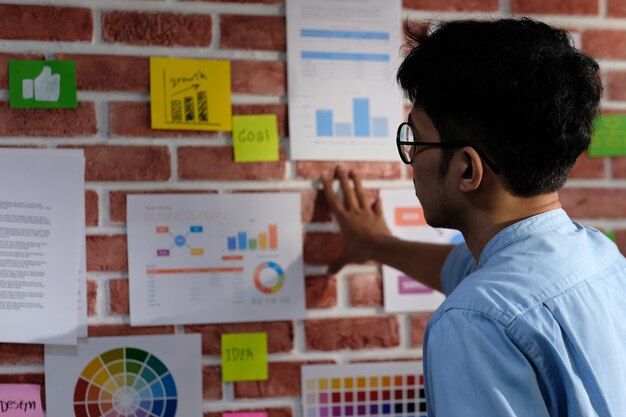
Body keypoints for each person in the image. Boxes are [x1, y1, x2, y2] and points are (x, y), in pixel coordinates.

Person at [321, 18, 626, 417]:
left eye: (417, 139)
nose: (412, 159)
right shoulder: (600, 258)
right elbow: (467, 272)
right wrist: (377, 244)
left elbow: (487, 300)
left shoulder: (474, 320)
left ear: (467, 169)